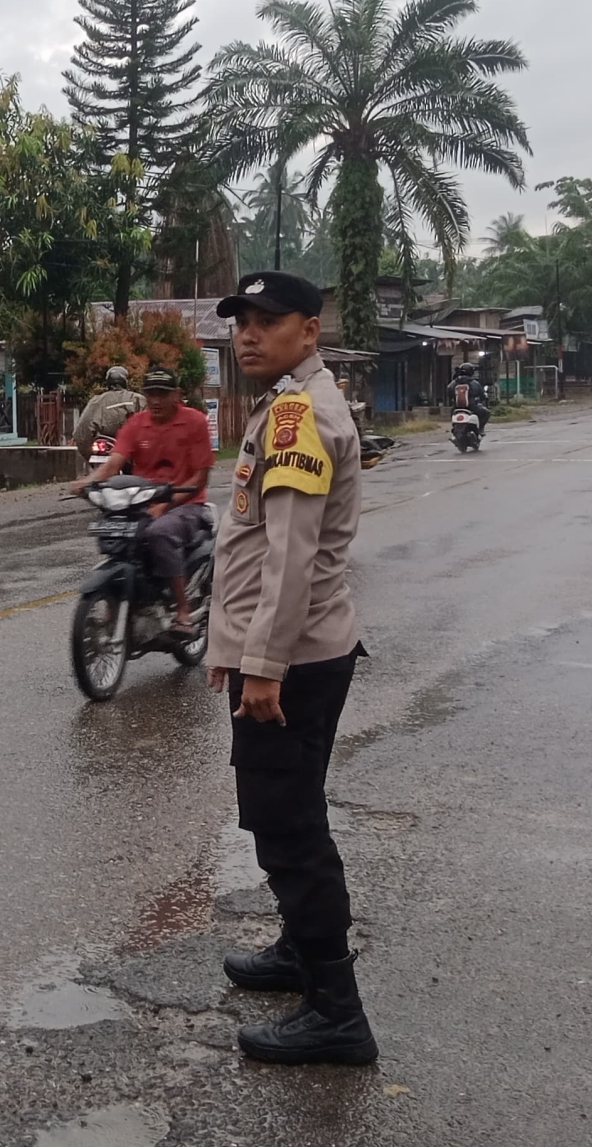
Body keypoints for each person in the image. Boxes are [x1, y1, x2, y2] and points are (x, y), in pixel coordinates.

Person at [206, 269, 378, 1067]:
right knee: (292, 809)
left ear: (309, 329)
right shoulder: (287, 403)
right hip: (297, 651)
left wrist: (262, 666)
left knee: (288, 829)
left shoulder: (298, 415)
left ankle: (336, 1013)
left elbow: (290, 556)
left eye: (268, 320)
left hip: (296, 659)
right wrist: (230, 652)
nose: (248, 333)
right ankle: (296, 952)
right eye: (242, 319)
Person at [72, 367, 213, 629]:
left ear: (176, 395)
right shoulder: (136, 423)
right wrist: (88, 483)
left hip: (186, 503)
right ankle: (123, 598)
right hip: (140, 501)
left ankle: (182, 610)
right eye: (151, 394)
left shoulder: (195, 422)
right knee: (114, 532)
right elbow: (113, 464)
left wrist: (165, 505)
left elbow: (200, 479)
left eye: (162, 393)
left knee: (160, 533)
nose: (156, 400)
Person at [72, 365, 144, 456]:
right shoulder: (137, 399)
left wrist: (88, 454)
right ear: (125, 381)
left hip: (106, 450)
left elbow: (82, 432)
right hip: (132, 452)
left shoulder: (96, 401)